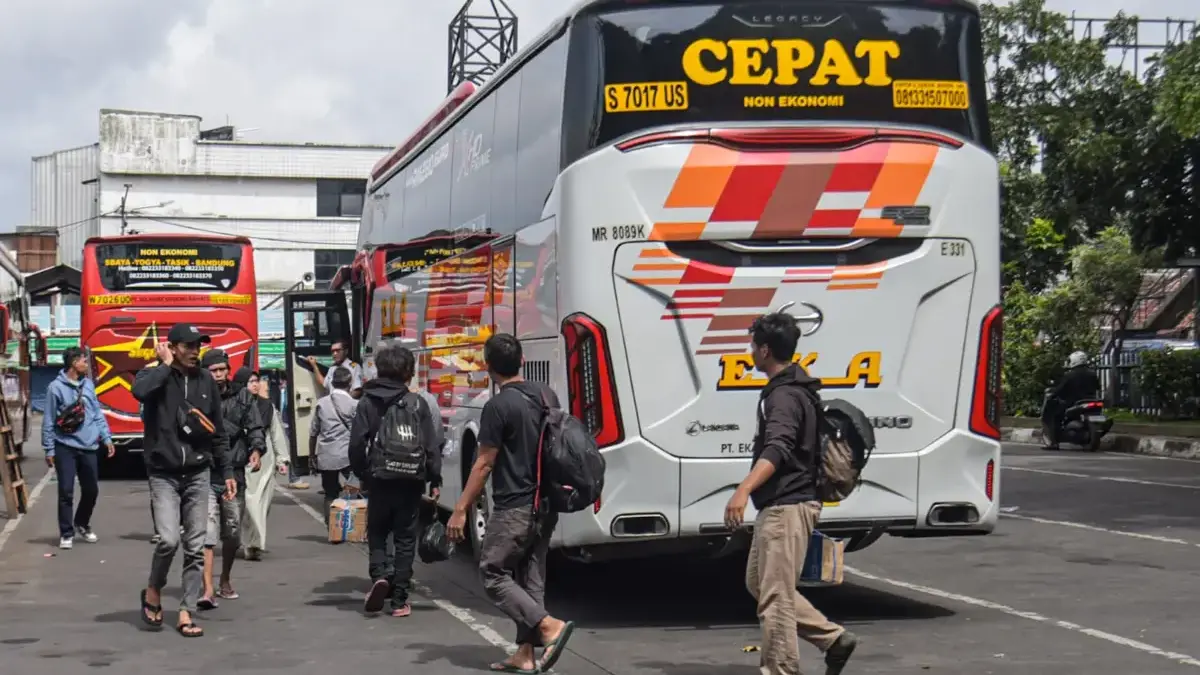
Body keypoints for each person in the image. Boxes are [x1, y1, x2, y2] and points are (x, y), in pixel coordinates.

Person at [722, 312, 858, 675]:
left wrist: (743, 490)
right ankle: (833, 639)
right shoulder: (796, 388)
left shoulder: (783, 395)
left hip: (787, 506)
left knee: (775, 600)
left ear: (765, 350)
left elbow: (778, 448)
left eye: (753, 346)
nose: (751, 352)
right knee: (760, 583)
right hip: (785, 504)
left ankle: (781, 670)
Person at [447, 333, 575, 674]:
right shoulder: (546, 395)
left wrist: (460, 508)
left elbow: (484, 463)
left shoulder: (498, 406)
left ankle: (549, 626)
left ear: (488, 367)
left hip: (515, 505)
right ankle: (525, 655)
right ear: (522, 361)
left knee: (492, 572)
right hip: (546, 503)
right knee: (530, 577)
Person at [132, 323, 235, 639]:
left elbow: (217, 430)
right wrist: (164, 366)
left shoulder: (206, 380)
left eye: (198, 346)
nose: (195, 351)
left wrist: (227, 472)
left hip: (198, 473)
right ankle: (154, 588)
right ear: (172, 347)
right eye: (188, 346)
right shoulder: (154, 375)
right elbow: (140, 392)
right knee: (168, 540)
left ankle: (186, 610)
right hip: (163, 473)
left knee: (195, 546)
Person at [348, 343, 441, 618]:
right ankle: (400, 599)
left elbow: (356, 445)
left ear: (379, 369)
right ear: (408, 373)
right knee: (405, 537)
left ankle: (380, 575)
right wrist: (435, 478)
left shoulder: (367, 402)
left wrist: (363, 473)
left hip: (379, 478)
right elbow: (431, 446)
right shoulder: (418, 403)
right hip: (411, 480)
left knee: (377, 530)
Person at [197, 352, 265, 610]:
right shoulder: (196, 394)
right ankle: (207, 588)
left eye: (222, 369)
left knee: (233, 533)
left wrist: (256, 449)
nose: (218, 374)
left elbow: (255, 426)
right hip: (204, 471)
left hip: (234, 474)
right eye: (213, 370)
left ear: (228, 370)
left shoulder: (243, 395)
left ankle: (225, 578)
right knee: (207, 532)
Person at [42, 347, 115, 550]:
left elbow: (97, 414)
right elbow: (48, 420)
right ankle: (66, 533)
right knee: (66, 491)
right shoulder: (55, 388)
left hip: (89, 445)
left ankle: (82, 522)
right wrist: (49, 449)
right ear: (74, 363)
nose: (86, 364)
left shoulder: (88, 385)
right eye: (83, 361)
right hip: (65, 446)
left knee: (91, 490)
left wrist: (107, 438)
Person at [241, 370, 290, 560]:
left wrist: (282, 460)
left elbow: (276, 434)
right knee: (249, 504)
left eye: (256, 381)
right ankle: (250, 543)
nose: (255, 384)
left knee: (262, 504)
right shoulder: (235, 405)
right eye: (250, 381)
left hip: (266, 461)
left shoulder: (267, 406)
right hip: (243, 459)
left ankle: (254, 544)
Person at [311, 367, 358, 524]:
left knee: (330, 494)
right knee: (354, 490)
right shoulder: (354, 405)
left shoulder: (321, 404)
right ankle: (351, 526)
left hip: (326, 456)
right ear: (349, 384)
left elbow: (313, 433)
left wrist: (312, 456)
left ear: (332, 383)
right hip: (348, 456)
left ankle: (331, 528)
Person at [1042, 350, 1101, 450]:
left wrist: (1052, 394)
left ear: (1074, 361)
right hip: (1091, 400)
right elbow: (1098, 387)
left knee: (1055, 416)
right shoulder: (1092, 374)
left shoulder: (1070, 375)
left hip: (1073, 402)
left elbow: (1060, 389)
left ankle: (1053, 443)